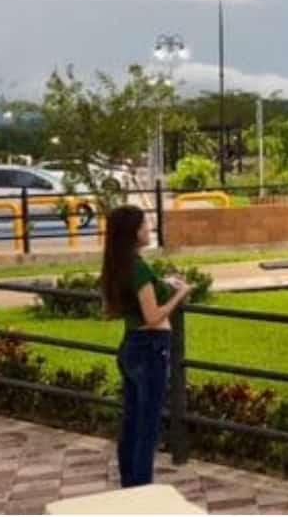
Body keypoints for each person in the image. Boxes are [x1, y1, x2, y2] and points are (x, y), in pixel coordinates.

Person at [99, 205, 192, 488]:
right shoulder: (138, 267)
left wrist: (159, 283)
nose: (149, 228)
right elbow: (153, 317)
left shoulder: (119, 264)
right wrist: (181, 294)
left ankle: (130, 487)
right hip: (151, 349)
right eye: (144, 225)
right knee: (146, 428)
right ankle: (141, 490)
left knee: (131, 422)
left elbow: (123, 304)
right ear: (133, 232)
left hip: (131, 347)